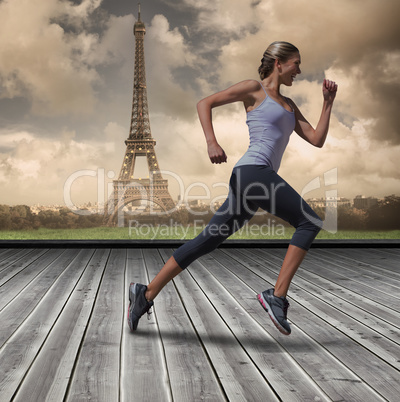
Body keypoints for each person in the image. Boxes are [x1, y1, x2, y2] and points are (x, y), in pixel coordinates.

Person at [128, 41, 338, 335]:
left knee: (207, 241)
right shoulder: (255, 89)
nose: (299, 71)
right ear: (279, 63)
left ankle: (145, 293)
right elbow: (205, 103)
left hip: (251, 181)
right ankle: (276, 296)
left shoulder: (290, 106)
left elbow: (316, 139)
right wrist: (211, 142)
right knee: (310, 220)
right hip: (253, 173)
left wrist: (327, 103)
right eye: (296, 64)